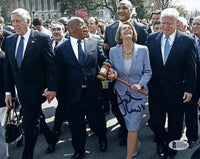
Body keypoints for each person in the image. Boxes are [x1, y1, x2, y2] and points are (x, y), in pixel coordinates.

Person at [4, 8, 57, 159]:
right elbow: (8, 69)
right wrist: (8, 92)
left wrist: (52, 88)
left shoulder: (41, 38)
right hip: (21, 91)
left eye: (18, 21)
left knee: (29, 123)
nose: (15, 24)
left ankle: (27, 155)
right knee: (36, 117)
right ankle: (51, 138)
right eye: (13, 21)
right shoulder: (9, 40)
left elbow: (51, 66)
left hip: (37, 90)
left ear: (28, 21)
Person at [147, 8, 196, 159]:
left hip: (177, 90)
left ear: (177, 23)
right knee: (155, 121)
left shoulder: (187, 41)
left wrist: (189, 89)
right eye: (163, 23)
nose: (166, 26)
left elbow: (191, 68)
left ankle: (170, 150)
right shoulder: (151, 38)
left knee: (175, 124)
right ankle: (161, 140)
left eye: (169, 23)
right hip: (156, 90)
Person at [56, 17, 107, 159]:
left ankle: (102, 139)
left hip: (93, 91)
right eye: (81, 25)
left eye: (85, 25)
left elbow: (103, 61)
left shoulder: (94, 42)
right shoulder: (61, 48)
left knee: (97, 121)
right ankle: (79, 150)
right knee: (76, 126)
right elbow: (59, 73)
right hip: (73, 95)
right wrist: (54, 90)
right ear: (71, 29)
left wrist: (107, 69)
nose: (85, 27)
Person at [104, 0, 148, 146]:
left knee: (134, 111)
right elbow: (106, 52)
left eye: (125, 8)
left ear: (131, 10)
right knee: (116, 107)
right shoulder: (109, 28)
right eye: (119, 8)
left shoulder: (141, 28)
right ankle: (125, 128)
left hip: (136, 80)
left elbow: (146, 55)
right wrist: (110, 70)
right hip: (117, 80)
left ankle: (131, 134)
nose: (121, 10)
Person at [107, 21, 152, 159]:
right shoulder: (114, 51)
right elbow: (110, 72)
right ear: (119, 35)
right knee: (128, 124)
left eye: (129, 28)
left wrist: (140, 85)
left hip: (138, 94)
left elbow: (148, 72)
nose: (127, 29)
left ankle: (128, 157)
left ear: (133, 33)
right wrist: (112, 74)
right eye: (123, 28)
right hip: (121, 94)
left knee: (132, 126)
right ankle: (135, 143)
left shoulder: (143, 49)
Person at [51, 21, 67, 135]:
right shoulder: (47, 43)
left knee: (62, 104)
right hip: (52, 82)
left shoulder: (68, 44)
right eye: (54, 30)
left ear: (64, 31)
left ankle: (56, 129)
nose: (56, 32)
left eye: (59, 29)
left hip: (66, 82)